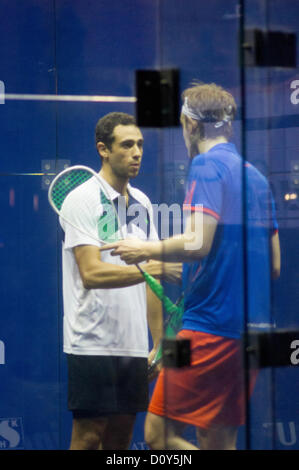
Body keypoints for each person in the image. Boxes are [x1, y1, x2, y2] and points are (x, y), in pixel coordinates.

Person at [101, 84, 281, 450]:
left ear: (190, 124)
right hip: (253, 333)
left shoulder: (205, 165)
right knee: (217, 439)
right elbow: (274, 265)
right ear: (228, 126)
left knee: (159, 435)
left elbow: (198, 243)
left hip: (210, 330)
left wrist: (144, 249)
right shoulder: (256, 177)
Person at [59, 111, 181, 450]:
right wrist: (149, 270)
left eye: (140, 144)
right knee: (88, 437)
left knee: (120, 440)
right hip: (92, 342)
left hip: (132, 346)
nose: (137, 152)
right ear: (104, 149)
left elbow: (151, 280)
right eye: (127, 145)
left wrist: (157, 344)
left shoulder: (142, 202)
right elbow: (92, 273)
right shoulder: (81, 199)